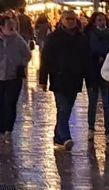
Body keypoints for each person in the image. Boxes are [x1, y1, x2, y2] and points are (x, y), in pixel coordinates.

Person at [38, 9, 90, 150]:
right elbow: (46, 59)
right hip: (59, 77)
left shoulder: (81, 38)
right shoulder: (54, 37)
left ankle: (58, 136)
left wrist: (87, 75)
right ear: (61, 20)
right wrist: (42, 79)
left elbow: (86, 59)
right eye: (67, 19)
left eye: (72, 19)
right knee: (63, 107)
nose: (70, 21)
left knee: (65, 109)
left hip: (75, 79)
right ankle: (66, 137)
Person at [84, 12, 109, 144]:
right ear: (94, 22)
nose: (102, 22)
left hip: (107, 74)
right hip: (93, 73)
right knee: (93, 102)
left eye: (103, 20)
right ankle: (91, 128)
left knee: (107, 104)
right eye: (99, 20)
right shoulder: (88, 35)